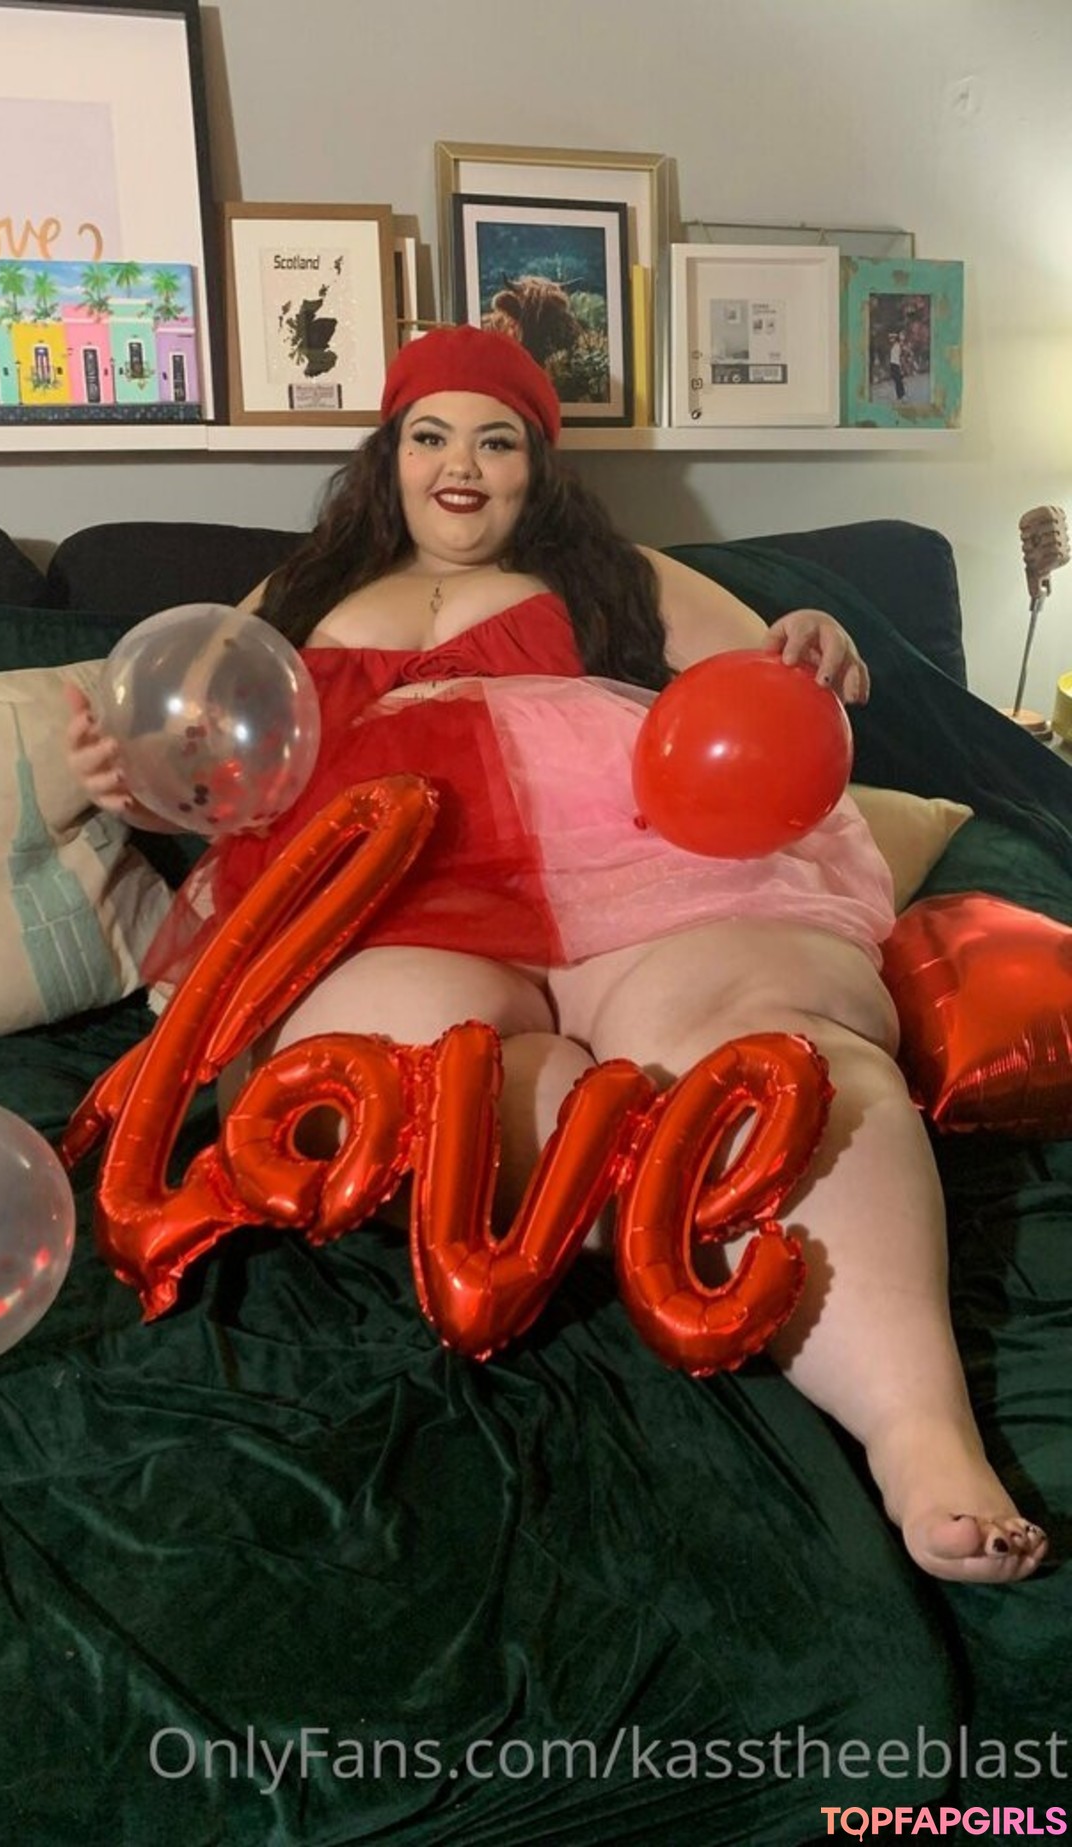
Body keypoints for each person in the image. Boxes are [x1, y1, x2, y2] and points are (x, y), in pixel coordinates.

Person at [66, 323, 1047, 1585]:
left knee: (785, 1058)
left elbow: (771, 673)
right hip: (391, 888)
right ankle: (646, 1186)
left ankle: (923, 1433)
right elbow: (209, 766)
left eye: (497, 441)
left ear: (539, 466)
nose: (460, 466)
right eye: (431, 436)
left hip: (645, 861)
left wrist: (812, 635)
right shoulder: (295, 595)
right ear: (388, 455)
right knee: (415, 1086)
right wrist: (131, 784)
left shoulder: (613, 578)